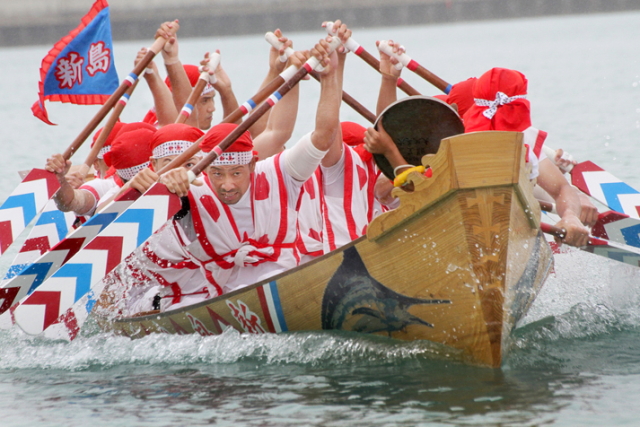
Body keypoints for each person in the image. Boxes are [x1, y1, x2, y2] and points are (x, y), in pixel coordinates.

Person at [153, 31, 345, 301]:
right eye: (217, 174)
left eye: (236, 173)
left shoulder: (280, 173)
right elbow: (185, 133)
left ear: (253, 163)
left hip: (287, 283)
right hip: (224, 300)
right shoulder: (191, 189)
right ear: (204, 169)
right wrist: (164, 184)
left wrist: (329, 77)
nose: (227, 184)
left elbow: (319, 136)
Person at [44, 122, 155, 217]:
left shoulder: (164, 176)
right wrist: (60, 180)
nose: (113, 168)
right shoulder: (105, 186)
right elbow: (70, 202)